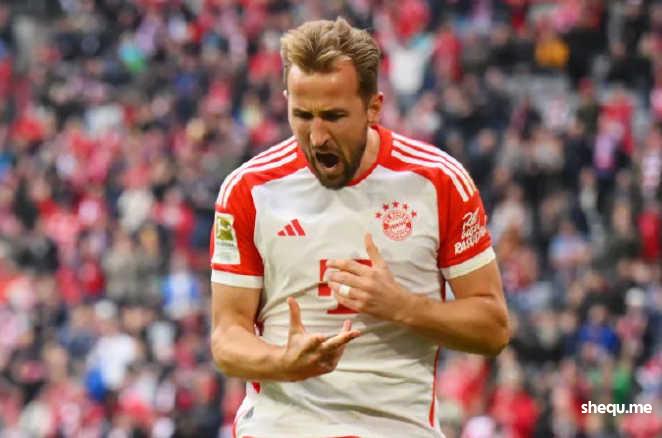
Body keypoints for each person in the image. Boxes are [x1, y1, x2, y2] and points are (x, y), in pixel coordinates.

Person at [209, 17, 510, 438]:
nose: (317, 136)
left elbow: (493, 328)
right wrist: (282, 362)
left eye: (333, 116)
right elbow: (227, 337)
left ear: (373, 107)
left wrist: (403, 306)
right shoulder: (248, 189)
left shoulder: (438, 182)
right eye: (302, 115)